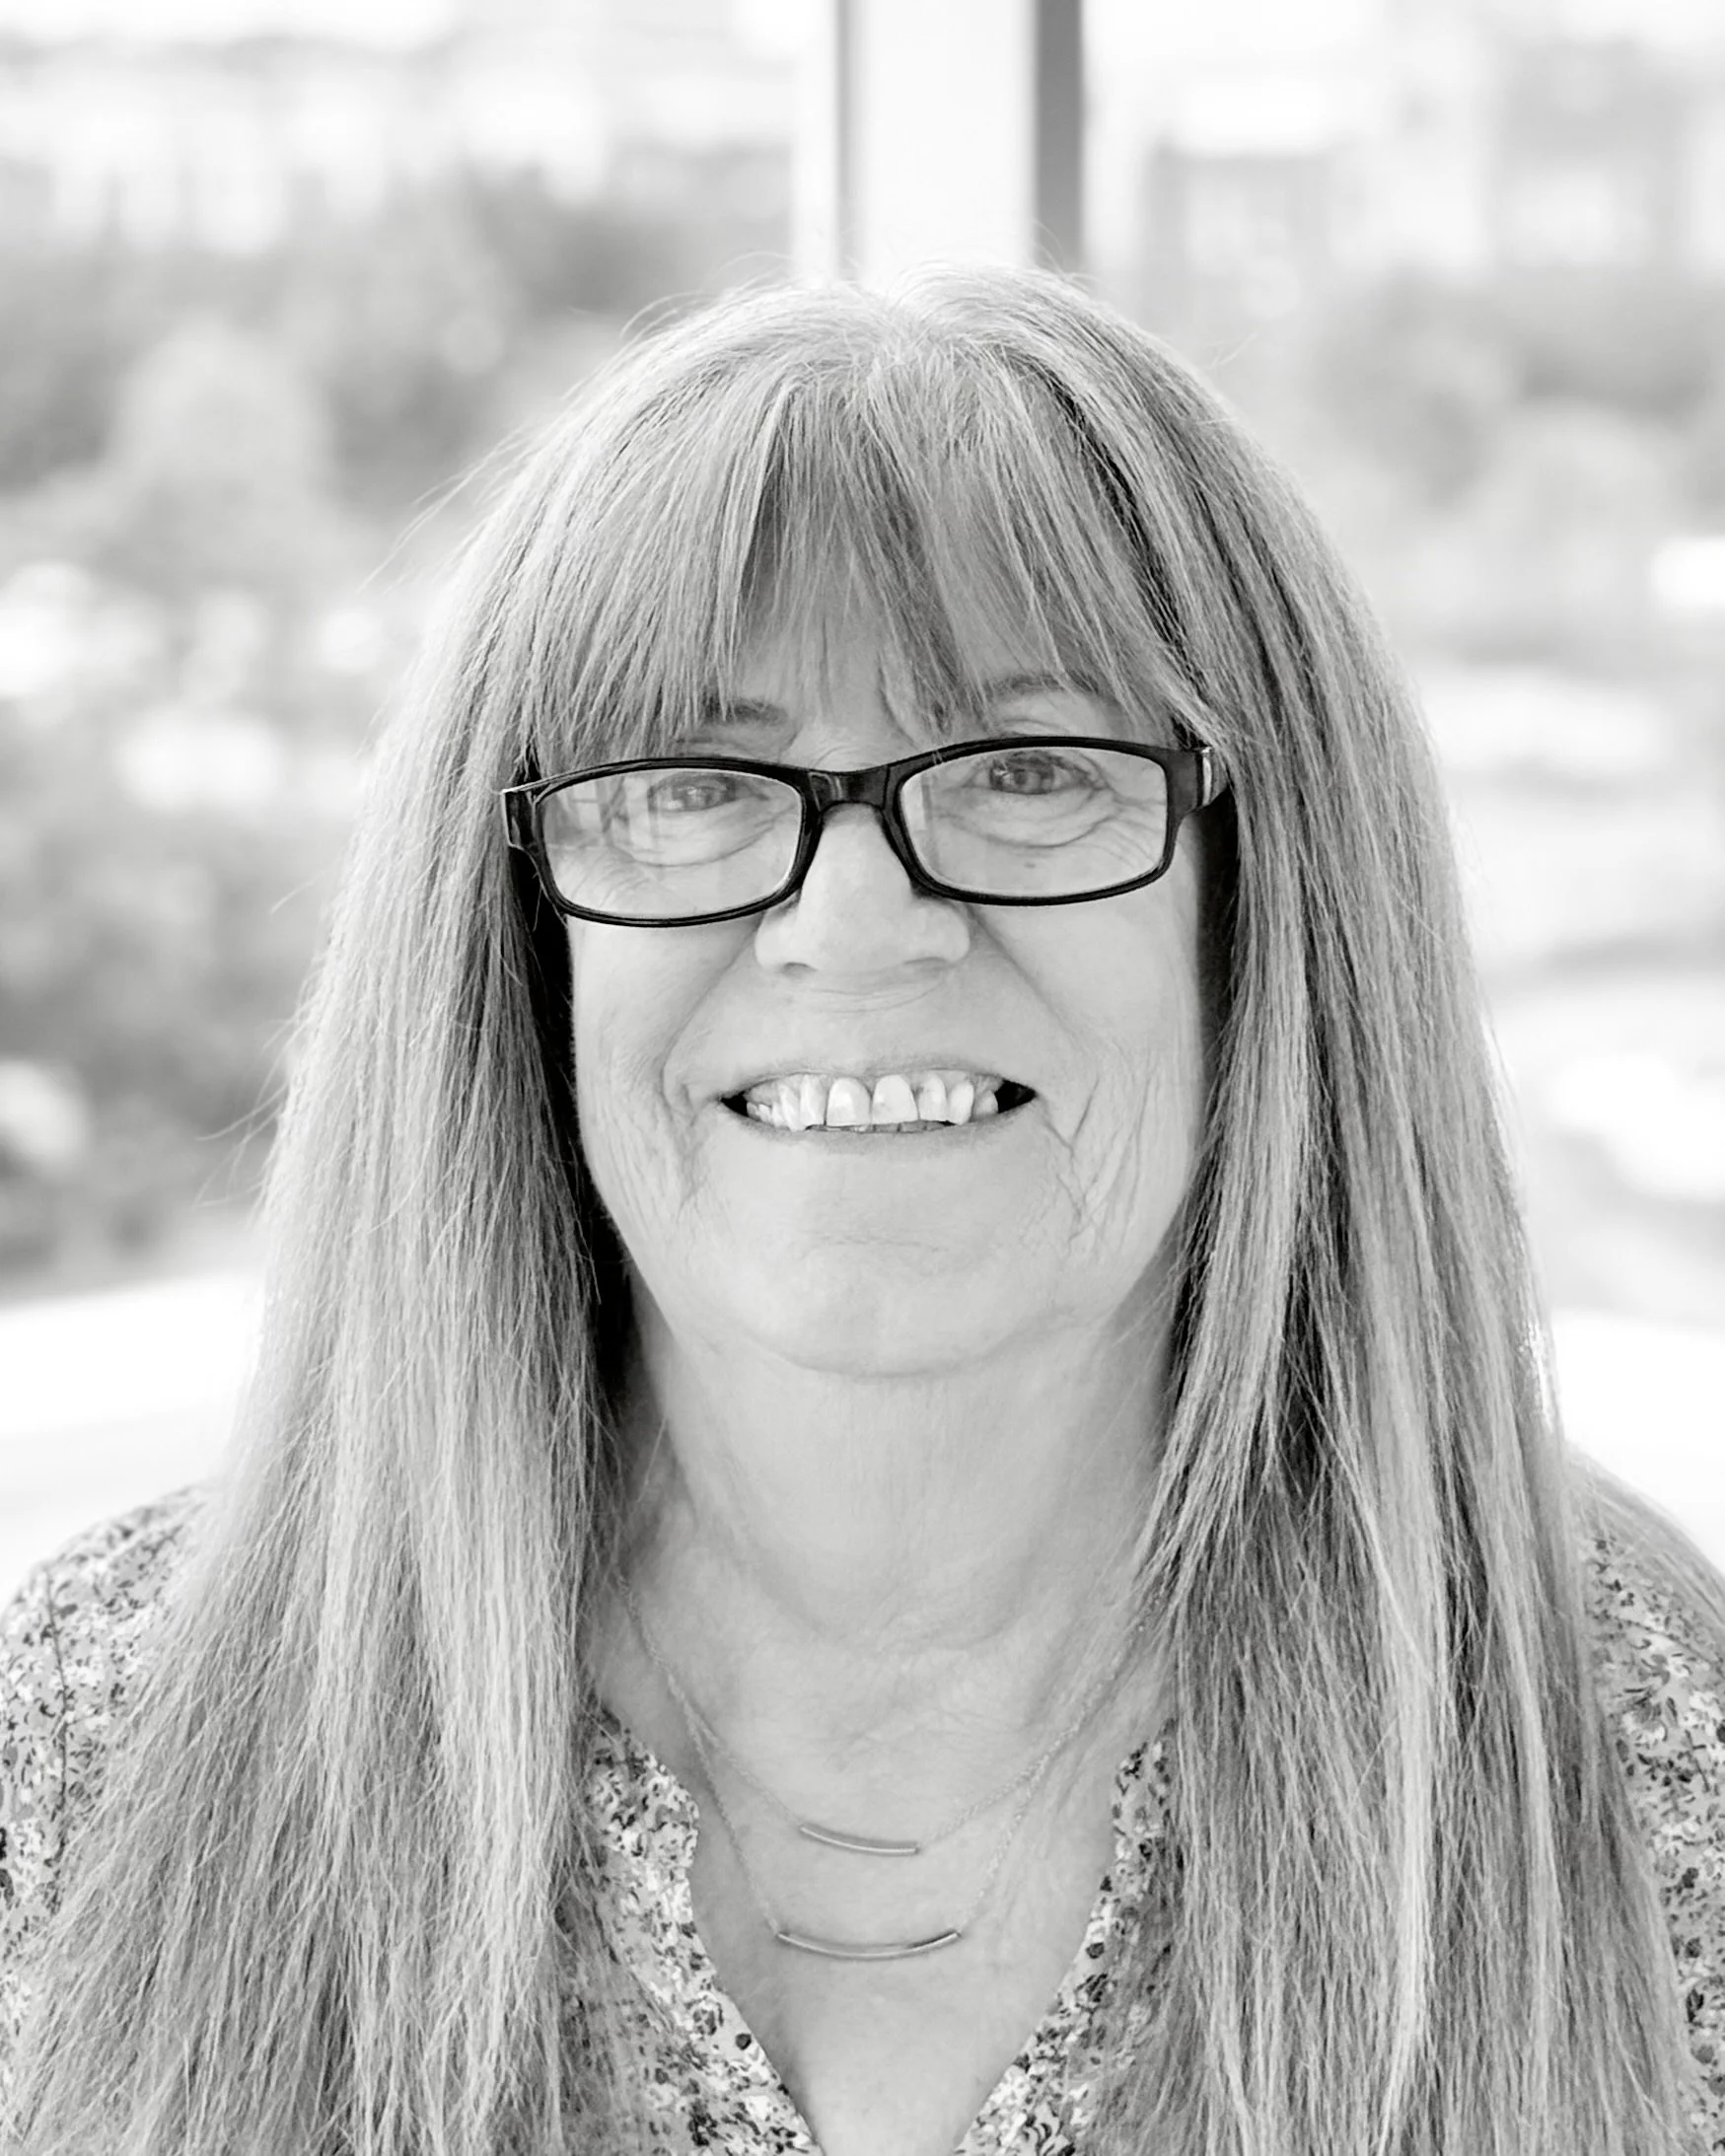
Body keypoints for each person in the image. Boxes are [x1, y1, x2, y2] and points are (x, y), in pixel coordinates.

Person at [3, 264, 1724, 2156]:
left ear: (1274, 913)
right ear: (518, 935)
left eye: (1030, 769)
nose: (849, 922)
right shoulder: (101, 1729)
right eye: (687, 785)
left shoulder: (1644, 1747)